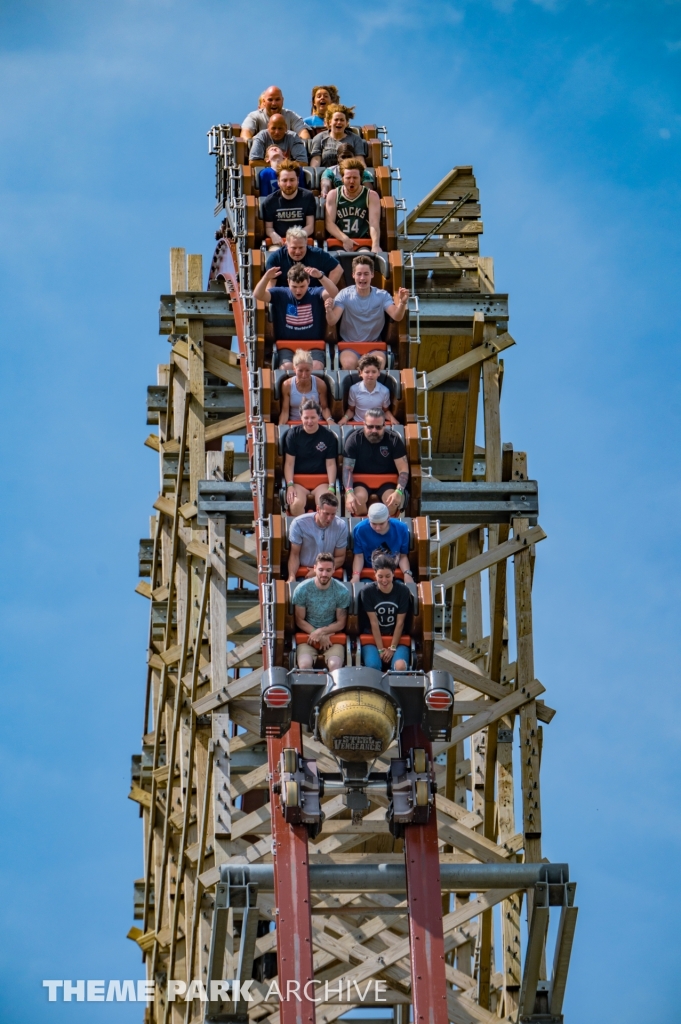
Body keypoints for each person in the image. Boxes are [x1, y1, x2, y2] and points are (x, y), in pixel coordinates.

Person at [325, 256, 409, 369]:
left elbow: (396, 316)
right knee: (349, 364)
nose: (362, 278)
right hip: (349, 345)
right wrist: (329, 310)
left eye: (366, 274)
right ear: (353, 275)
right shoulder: (344, 294)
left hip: (374, 346)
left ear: (372, 275)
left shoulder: (382, 295)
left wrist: (402, 303)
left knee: (374, 366)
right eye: (359, 274)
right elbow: (332, 320)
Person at [343, 409, 409, 516]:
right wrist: (349, 493)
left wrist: (399, 492)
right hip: (360, 483)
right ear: (364, 424)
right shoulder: (354, 440)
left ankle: (383, 528)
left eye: (378, 427)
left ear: (384, 425)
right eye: (370, 426)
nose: (374, 430)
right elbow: (347, 469)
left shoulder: (394, 440)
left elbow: (403, 470)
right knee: (357, 500)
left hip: (387, 483)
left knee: (392, 503)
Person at [253, 263, 337, 345]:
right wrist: (266, 278)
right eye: (294, 287)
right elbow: (258, 295)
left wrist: (321, 277)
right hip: (285, 347)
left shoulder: (316, 293)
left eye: (302, 286)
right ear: (288, 282)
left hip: (313, 346)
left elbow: (334, 293)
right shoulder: (280, 294)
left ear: (308, 281)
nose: (298, 291)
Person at [292, 553, 350, 671]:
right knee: (304, 665)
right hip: (308, 636)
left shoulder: (342, 591)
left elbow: (341, 623)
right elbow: (299, 620)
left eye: (328, 570)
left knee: (335, 665)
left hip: (332, 636)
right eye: (321, 570)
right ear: (314, 569)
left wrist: (321, 632)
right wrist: (315, 633)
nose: (324, 574)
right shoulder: (302, 589)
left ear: (334, 569)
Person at [284, 400, 338, 516]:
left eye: (313, 417)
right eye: (306, 417)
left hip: (321, 482)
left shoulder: (328, 436)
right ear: (301, 417)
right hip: (299, 482)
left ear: (319, 416)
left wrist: (331, 487)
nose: (309, 421)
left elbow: (331, 464)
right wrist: (290, 485)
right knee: (295, 504)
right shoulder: (293, 434)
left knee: (326, 506)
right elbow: (289, 463)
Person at [358, 554, 411, 671]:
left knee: (400, 666)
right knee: (373, 666)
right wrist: (381, 649)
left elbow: (400, 623)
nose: (384, 580)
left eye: (388, 576)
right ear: (375, 574)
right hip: (373, 636)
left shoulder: (402, 591)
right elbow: (374, 622)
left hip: (396, 636)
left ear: (393, 573)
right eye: (380, 576)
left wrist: (392, 648)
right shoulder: (367, 591)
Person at [288, 492, 347, 581]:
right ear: (318, 509)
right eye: (326, 514)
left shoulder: (341, 526)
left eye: (333, 514)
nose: (329, 518)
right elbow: (294, 554)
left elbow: (340, 557)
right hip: (305, 573)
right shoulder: (299, 524)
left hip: (328, 574)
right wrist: (292, 576)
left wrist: (319, 571)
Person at [324, 161, 381, 253]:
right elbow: (329, 223)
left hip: (362, 242)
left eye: (355, 178)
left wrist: (375, 245)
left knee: (365, 258)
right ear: (342, 179)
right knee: (338, 258)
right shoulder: (334, 194)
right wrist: (345, 239)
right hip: (339, 241)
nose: (351, 181)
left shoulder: (371, 195)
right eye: (348, 178)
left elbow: (374, 224)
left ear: (361, 178)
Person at [266, 226, 344, 288]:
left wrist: (327, 290)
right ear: (286, 245)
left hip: (313, 295)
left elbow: (338, 269)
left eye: (301, 247)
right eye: (294, 248)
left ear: (306, 243)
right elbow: (270, 285)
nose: (297, 252)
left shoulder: (317, 254)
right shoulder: (276, 258)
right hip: (286, 296)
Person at [261, 161, 316, 248]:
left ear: (298, 180)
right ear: (278, 182)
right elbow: (269, 228)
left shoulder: (307, 197)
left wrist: (296, 238)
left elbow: (310, 226)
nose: (288, 184)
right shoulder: (270, 201)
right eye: (284, 180)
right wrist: (273, 235)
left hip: (302, 241)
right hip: (279, 243)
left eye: (292, 180)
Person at [351, 505, 412, 581]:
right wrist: (356, 575)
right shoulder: (360, 529)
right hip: (370, 573)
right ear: (368, 518)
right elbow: (359, 556)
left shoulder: (401, 528)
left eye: (381, 524)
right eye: (374, 524)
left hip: (392, 573)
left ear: (388, 518)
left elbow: (402, 556)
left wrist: (407, 573)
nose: (378, 528)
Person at [338, 354, 397, 425]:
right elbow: (351, 410)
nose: (370, 375)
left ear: (378, 373)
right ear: (360, 373)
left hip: (376, 425)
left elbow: (386, 411)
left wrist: (392, 419)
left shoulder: (384, 391)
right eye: (367, 372)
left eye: (374, 372)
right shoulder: (354, 389)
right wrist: (344, 418)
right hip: (359, 423)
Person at [279, 350, 334, 420]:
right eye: (300, 371)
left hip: (315, 423)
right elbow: (284, 412)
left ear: (312, 368)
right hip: (295, 424)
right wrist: (281, 425)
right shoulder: (287, 385)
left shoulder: (320, 384)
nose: (304, 375)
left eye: (307, 370)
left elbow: (324, 408)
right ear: (294, 369)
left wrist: (330, 421)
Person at [241, 86, 310, 140]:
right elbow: (245, 133)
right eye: (270, 100)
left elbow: (304, 134)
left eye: (277, 99)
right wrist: (251, 143)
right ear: (264, 102)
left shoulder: (290, 115)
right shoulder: (254, 116)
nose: (274, 103)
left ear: (282, 101)